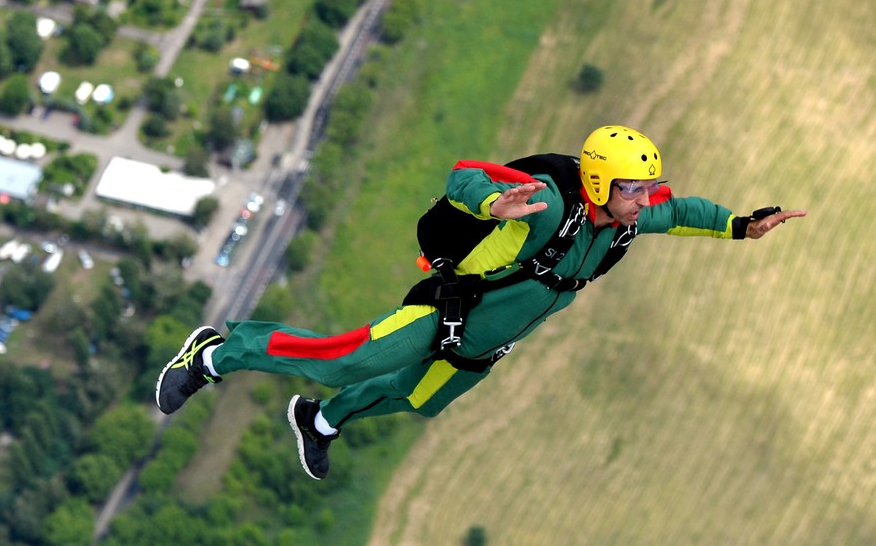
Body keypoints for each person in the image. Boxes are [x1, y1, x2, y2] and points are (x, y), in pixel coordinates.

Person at [155, 125, 805, 480]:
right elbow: (463, 174)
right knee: (345, 359)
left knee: (419, 398)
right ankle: (218, 350)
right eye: (635, 187)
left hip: (488, 340)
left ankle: (319, 422)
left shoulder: (630, 219)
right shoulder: (551, 202)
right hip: (450, 309)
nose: (644, 197)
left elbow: (684, 210)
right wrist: (493, 204)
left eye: (647, 186)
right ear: (603, 180)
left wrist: (740, 227)